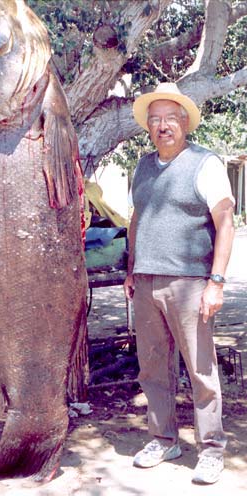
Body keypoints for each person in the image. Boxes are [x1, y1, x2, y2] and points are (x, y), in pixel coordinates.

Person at [124, 82, 235, 485]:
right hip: (146, 279)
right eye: (155, 120)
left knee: (200, 368)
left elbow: (226, 221)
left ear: (184, 122)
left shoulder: (205, 164)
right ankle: (163, 438)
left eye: (170, 118)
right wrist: (131, 268)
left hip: (190, 282)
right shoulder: (142, 167)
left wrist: (216, 282)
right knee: (152, 368)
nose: (162, 126)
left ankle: (211, 449)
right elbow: (137, 219)